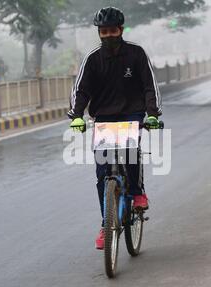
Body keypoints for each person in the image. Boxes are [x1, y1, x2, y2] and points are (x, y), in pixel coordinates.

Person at [67, 7, 163, 250]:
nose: (108, 35)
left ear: (121, 30)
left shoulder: (136, 54)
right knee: (102, 174)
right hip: (104, 118)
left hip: (132, 112)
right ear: (99, 33)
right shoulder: (92, 59)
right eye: (104, 31)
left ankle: (138, 192)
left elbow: (149, 86)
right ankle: (105, 223)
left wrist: (152, 114)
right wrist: (76, 115)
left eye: (112, 31)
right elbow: (81, 90)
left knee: (131, 153)